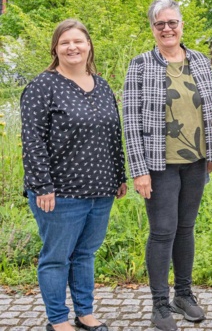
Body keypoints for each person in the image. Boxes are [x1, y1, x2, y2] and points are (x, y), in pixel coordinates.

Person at [21, 19, 127, 331]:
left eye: (78, 41)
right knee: (56, 258)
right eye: (65, 42)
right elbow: (32, 139)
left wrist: (118, 176)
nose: (72, 47)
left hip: (101, 189)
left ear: (89, 45)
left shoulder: (102, 84)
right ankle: (57, 320)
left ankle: (85, 314)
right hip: (59, 192)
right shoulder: (42, 86)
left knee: (84, 255)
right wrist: (42, 185)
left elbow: (113, 133)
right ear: (55, 47)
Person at [123, 0, 212, 331]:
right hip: (158, 165)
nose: (167, 28)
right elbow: (131, 121)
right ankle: (160, 305)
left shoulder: (198, 60)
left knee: (185, 229)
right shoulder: (140, 65)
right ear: (152, 28)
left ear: (181, 25)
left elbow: (211, 109)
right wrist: (139, 169)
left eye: (172, 22)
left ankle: (183, 295)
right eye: (160, 23)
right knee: (163, 231)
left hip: (195, 161)